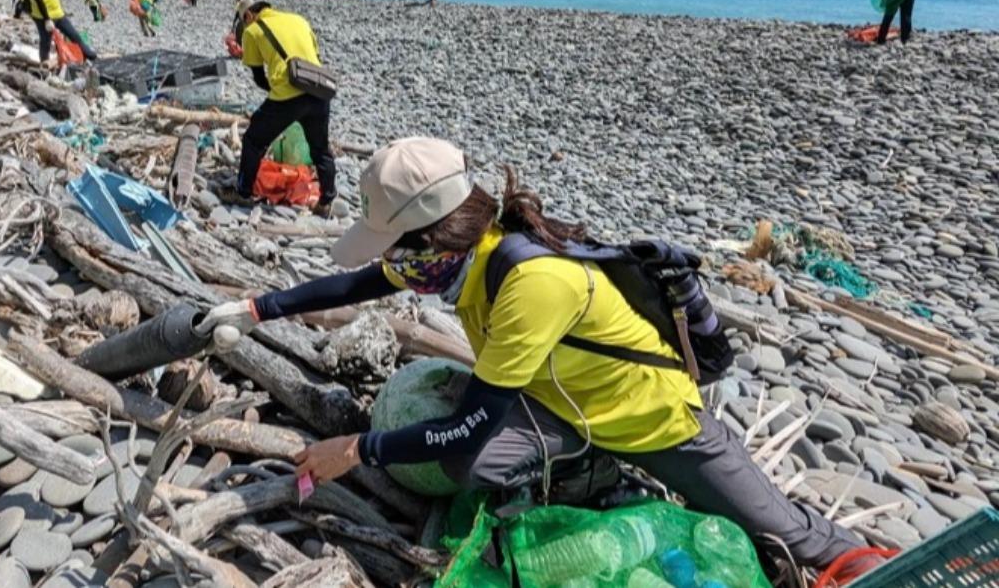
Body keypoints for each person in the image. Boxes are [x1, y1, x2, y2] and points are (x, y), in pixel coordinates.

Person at [196, 136, 881, 575]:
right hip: (561, 403)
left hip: (650, 417)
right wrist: (258, 308)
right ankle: (583, 460)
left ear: (436, 234)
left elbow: (466, 422)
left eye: (397, 245)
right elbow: (358, 282)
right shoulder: (451, 255)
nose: (393, 264)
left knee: (795, 538)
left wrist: (358, 446)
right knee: (469, 463)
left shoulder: (530, 281)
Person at [224, 0, 336, 215]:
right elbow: (313, 54)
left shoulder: (253, 31)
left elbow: (258, 76)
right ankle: (326, 201)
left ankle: (243, 192)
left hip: (287, 97)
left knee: (254, 140)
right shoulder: (298, 19)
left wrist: (274, 91)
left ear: (247, 15)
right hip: (318, 90)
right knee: (320, 149)